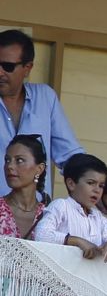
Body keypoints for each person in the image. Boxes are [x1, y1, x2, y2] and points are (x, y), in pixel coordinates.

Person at [0, 30, 83, 197]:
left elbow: (69, 155)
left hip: (37, 211)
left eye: (8, 67)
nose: (0, 72)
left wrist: (98, 187)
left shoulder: (45, 97)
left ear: (27, 68)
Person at [32, 154, 107, 263]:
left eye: (101, 186)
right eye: (91, 183)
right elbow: (41, 235)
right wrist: (77, 241)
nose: (97, 190)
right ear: (71, 184)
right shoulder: (61, 206)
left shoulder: (98, 217)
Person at [0, 135, 48, 239]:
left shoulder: (49, 216)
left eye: (19, 160)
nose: (10, 166)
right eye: (7, 160)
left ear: (39, 169)